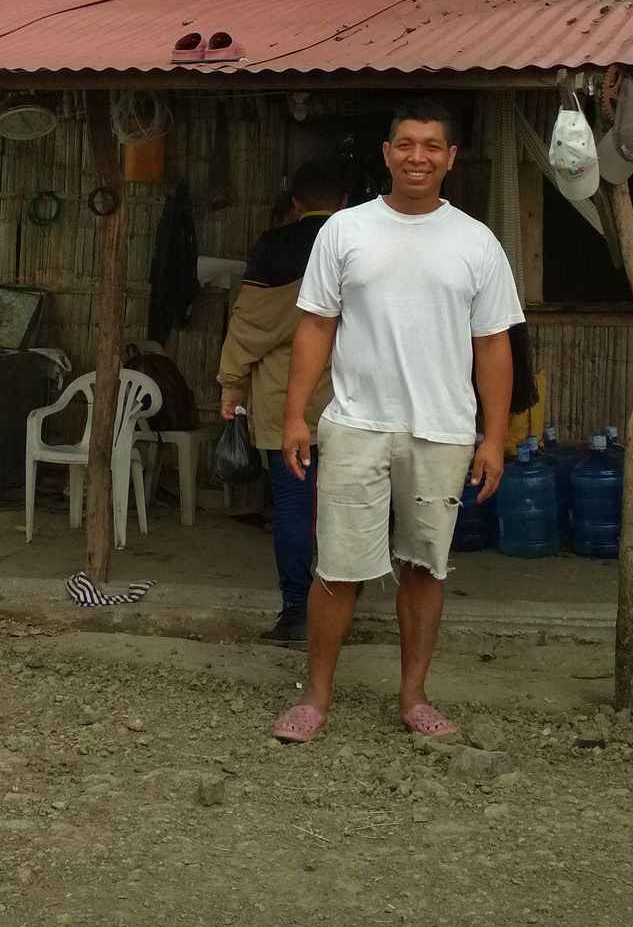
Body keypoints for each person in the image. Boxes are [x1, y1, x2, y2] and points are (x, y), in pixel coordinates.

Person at [269, 99, 522, 744]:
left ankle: (413, 698)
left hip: (442, 430)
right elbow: (316, 325)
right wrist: (296, 415)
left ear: (450, 158)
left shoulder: (476, 242)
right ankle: (315, 700)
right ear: (386, 154)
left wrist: (494, 437)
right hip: (355, 424)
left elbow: (493, 345)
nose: (418, 157)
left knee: (424, 566)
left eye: (432, 146)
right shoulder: (345, 231)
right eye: (406, 144)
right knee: (339, 567)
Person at [216, 157, 349, 646]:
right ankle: (339, 605)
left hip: (282, 400)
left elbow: (248, 325)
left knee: (293, 508)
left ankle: (297, 612)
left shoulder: (273, 247)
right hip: (350, 400)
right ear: (345, 204)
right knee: (344, 509)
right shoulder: (355, 245)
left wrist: (231, 385)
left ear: (295, 204)